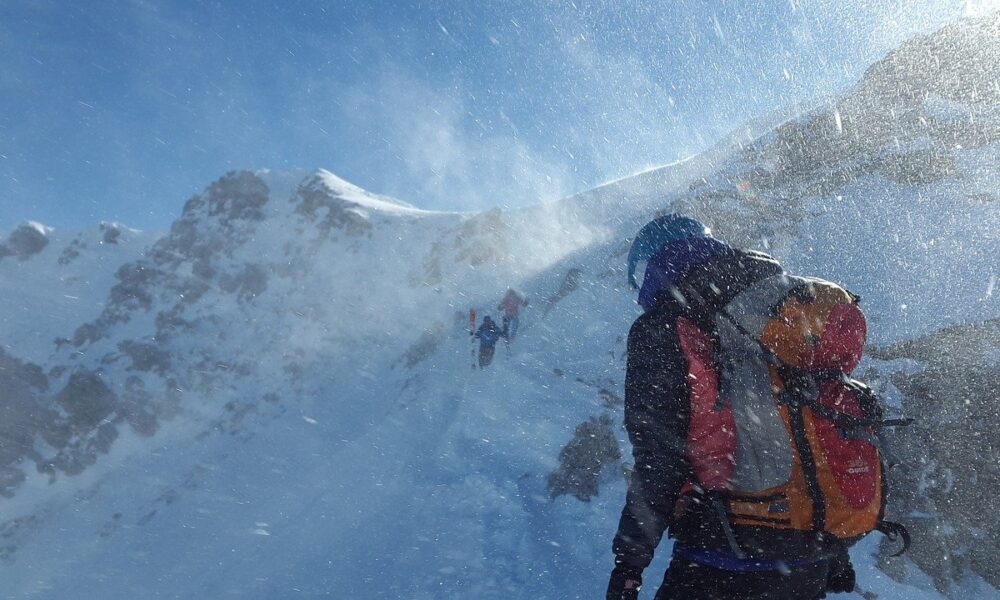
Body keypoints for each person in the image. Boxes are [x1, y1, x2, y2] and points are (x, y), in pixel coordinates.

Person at [607, 215, 859, 600]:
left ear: (654, 265)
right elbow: (811, 426)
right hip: (806, 559)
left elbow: (659, 457)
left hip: (722, 554)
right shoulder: (775, 305)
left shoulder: (664, 327)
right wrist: (834, 550)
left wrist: (628, 564)